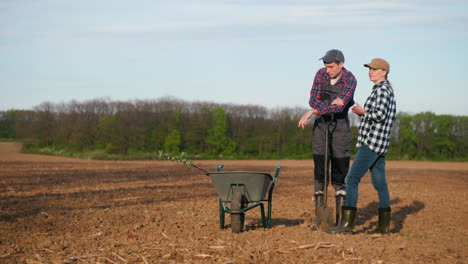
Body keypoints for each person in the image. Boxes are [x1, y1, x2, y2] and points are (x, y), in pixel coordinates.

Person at [327, 58, 397, 235]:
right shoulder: (384, 89)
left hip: (371, 143)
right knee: (380, 184)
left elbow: (379, 115)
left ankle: (346, 226)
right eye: (369, 69)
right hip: (379, 143)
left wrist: (362, 112)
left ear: (384, 71)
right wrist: (359, 111)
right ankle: (384, 228)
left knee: (351, 179)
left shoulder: (382, 90)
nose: (370, 71)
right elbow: (377, 117)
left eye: (374, 69)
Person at [298, 49, 357, 230]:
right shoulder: (320, 75)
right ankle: (320, 217)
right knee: (320, 169)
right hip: (321, 127)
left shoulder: (350, 80)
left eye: (331, 66)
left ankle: (339, 219)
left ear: (341, 64)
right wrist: (325, 107)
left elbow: (340, 108)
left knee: (340, 170)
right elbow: (312, 99)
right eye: (325, 66)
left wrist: (316, 110)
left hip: (340, 128)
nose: (327, 70)